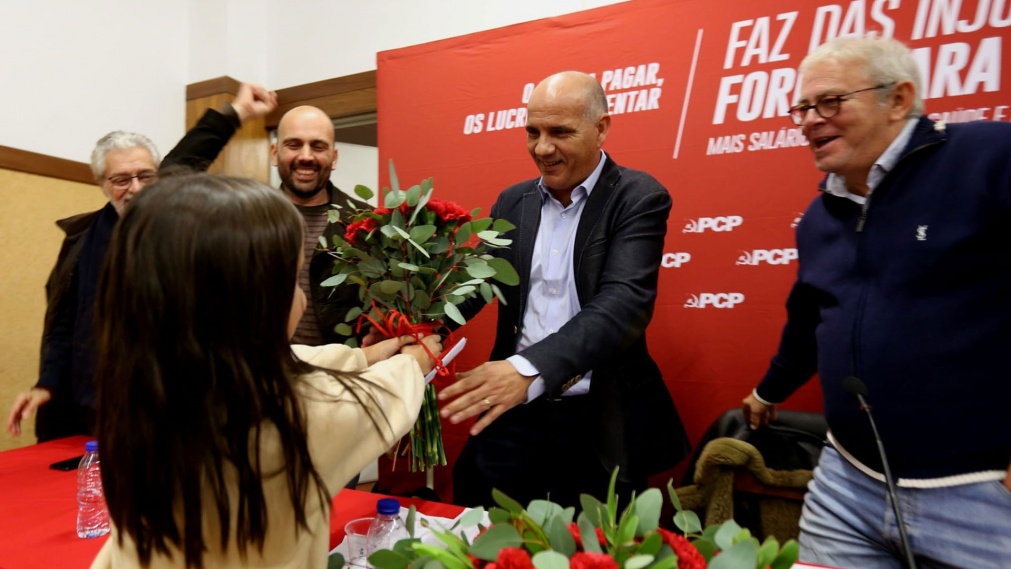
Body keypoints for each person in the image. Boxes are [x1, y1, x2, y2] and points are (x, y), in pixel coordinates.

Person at [742, 36, 1011, 568]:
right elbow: (809, 322)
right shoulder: (819, 217)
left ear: (898, 99)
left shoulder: (991, 158)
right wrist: (767, 390)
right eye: (802, 108)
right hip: (846, 487)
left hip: (981, 498)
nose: (809, 121)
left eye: (830, 102)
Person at [89, 173, 441, 569]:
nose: (302, 298)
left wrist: (363, 357)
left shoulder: (148, 385)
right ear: (248, 302)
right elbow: (382, 399)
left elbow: (285, 363)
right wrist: (413, 363)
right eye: (292, 281)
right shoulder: (295, 419)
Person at [439, 71, 690, 508]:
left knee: (592, 539)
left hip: (597, 416)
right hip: (513, 409)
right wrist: (425, 328)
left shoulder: (637, 197)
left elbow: (622, 305)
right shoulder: (513, 201)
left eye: (559, 132)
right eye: (532, 132)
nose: (542, 148)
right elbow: (478, 280)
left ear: (601, 128)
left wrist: (529, 368)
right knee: (479, 522)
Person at [5, 83, 277, 441]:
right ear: (101, 183)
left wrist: (236, 112)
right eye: (121, 179)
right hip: (87, 406)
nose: (134, 188)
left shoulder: (171, 228)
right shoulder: (81, 240)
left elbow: (189, 155)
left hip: (161, 408)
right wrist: (47, 384)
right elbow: (64, 323)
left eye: (145, 176)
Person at [271, 105, 372, 346]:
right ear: (274, 153)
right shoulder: (247, 220)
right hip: (265, 366)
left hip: (345, 366)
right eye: (294, 145)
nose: (306, 156)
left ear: (334, 157)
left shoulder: (368, 224)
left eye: (318, 146)